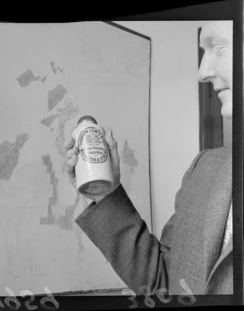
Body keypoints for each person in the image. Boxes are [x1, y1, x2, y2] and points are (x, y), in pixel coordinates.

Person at [64, 21, 233, 295]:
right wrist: (106, 192)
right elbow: (163, 283)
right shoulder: (203, 168)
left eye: (219, 47)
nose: (202, 72)